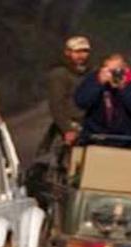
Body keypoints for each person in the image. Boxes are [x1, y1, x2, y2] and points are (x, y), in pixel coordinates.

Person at [36, 34, 92, 174]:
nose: (81, 55)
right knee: (63, 166)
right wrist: (66, 129)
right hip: (68, 126)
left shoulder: (90, 73)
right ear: (68, 52)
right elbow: (56, 104)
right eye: (77, 51)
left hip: (87, 125)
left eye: (85, 51)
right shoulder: (59, 74)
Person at [74, 53, 131, 146]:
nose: (113, 74)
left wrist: (123, 87)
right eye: (110, 70)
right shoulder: (94, 77)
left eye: (117, 70)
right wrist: (98, 83)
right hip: (96, 135)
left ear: (125, 68)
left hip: (125, 138)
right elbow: (81, 102)